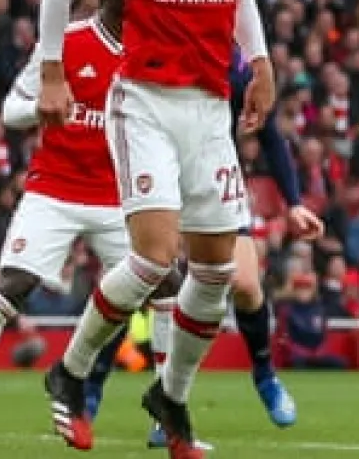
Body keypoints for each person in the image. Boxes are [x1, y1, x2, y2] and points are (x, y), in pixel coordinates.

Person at [37, 0, 272, 459]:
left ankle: (170, 398)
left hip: (208, 111)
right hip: (143, 103)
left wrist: (261, 63)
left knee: (218, 271)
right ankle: (72, 370)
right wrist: (53, 74)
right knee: (154, 256)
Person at [0, 0, 179, 451]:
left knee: (166, 285)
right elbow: (11, 108)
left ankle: (167, 414)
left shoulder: (150, 53)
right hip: (53, 192)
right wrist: (41, 106)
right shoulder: (67, 44)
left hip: (117, 200)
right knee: (11, 286)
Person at [85, 49, 323, 447]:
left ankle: (264, 376)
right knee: (142, 278)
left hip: (211, 178)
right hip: (156, 179)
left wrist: (294, 202)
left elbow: (269, 135)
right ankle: (90, 388)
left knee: (246, 284)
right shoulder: (152, 48)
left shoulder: (232, 62)